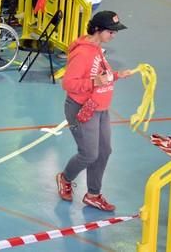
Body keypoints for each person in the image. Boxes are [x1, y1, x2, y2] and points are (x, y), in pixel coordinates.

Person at [56, 11, 133, 212]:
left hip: (100, 108)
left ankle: (93, 194)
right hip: (83, 109)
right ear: (98, 30)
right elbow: (68, 83)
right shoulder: (84, 53)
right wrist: (94, 82)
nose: (113, 35)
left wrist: (116, 75)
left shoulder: (97, 48)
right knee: (89, 154)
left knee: (104, 151)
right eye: (111, 31)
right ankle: (65, 178)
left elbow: (100, 74)